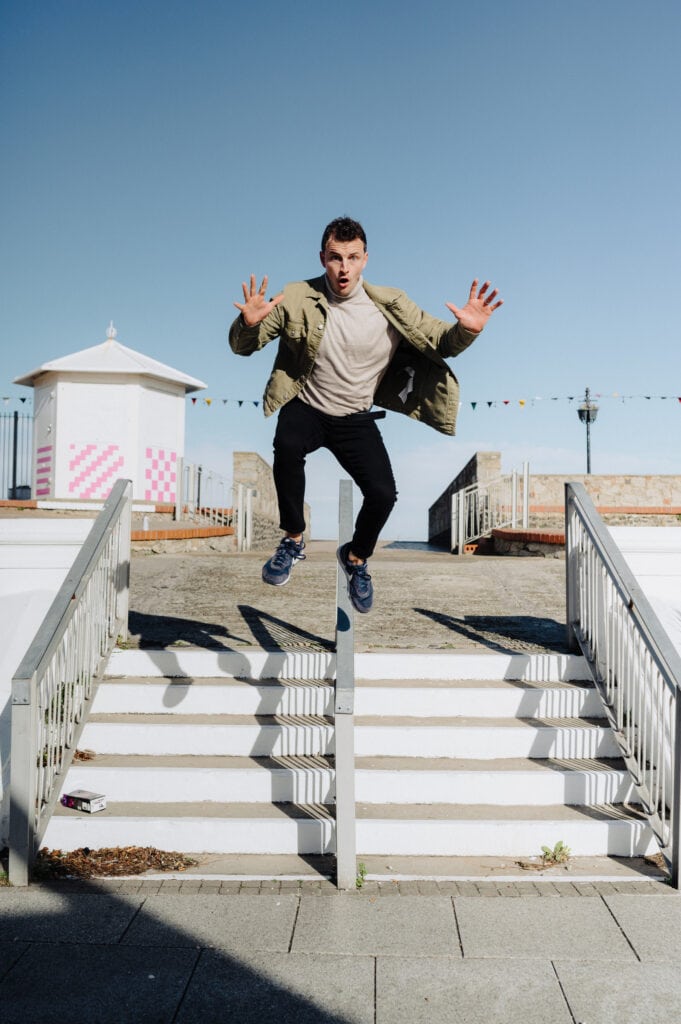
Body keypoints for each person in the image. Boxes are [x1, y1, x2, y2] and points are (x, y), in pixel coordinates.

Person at [229, 216, 502, 614]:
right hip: (307, 406)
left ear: (365, 259)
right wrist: (247, 323)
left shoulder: (390, 303)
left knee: (383, 494)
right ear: (322, 258)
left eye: (353, 258)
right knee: (287, 444)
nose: (344, 268)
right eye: (335, 258)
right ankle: (293, 539)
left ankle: (356, 558)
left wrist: (469, 330)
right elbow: (243, 346)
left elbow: (441, 341)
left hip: (355, 417)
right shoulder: (297, 296)